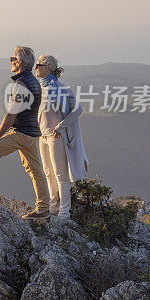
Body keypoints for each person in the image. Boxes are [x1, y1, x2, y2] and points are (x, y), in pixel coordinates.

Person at [0, 46, 51, 220]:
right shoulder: (33, 82)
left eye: (13, 59)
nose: (11, 62)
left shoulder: (21, 85)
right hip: (32, 133)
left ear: (20, 62)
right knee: (35, 170)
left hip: (22, 133)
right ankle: (43, 208)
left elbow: (11, 115)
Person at [34, 55, 89, 220]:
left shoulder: (59, 87)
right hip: (42, 136)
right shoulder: (41, 87)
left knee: (60, 175)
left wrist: (61, 126)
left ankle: (64, 214)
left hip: (56, 137)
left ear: (47, 68)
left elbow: (78, 109)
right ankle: (53, 208)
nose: (35, 67)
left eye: (39, 65)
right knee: (48, 173)